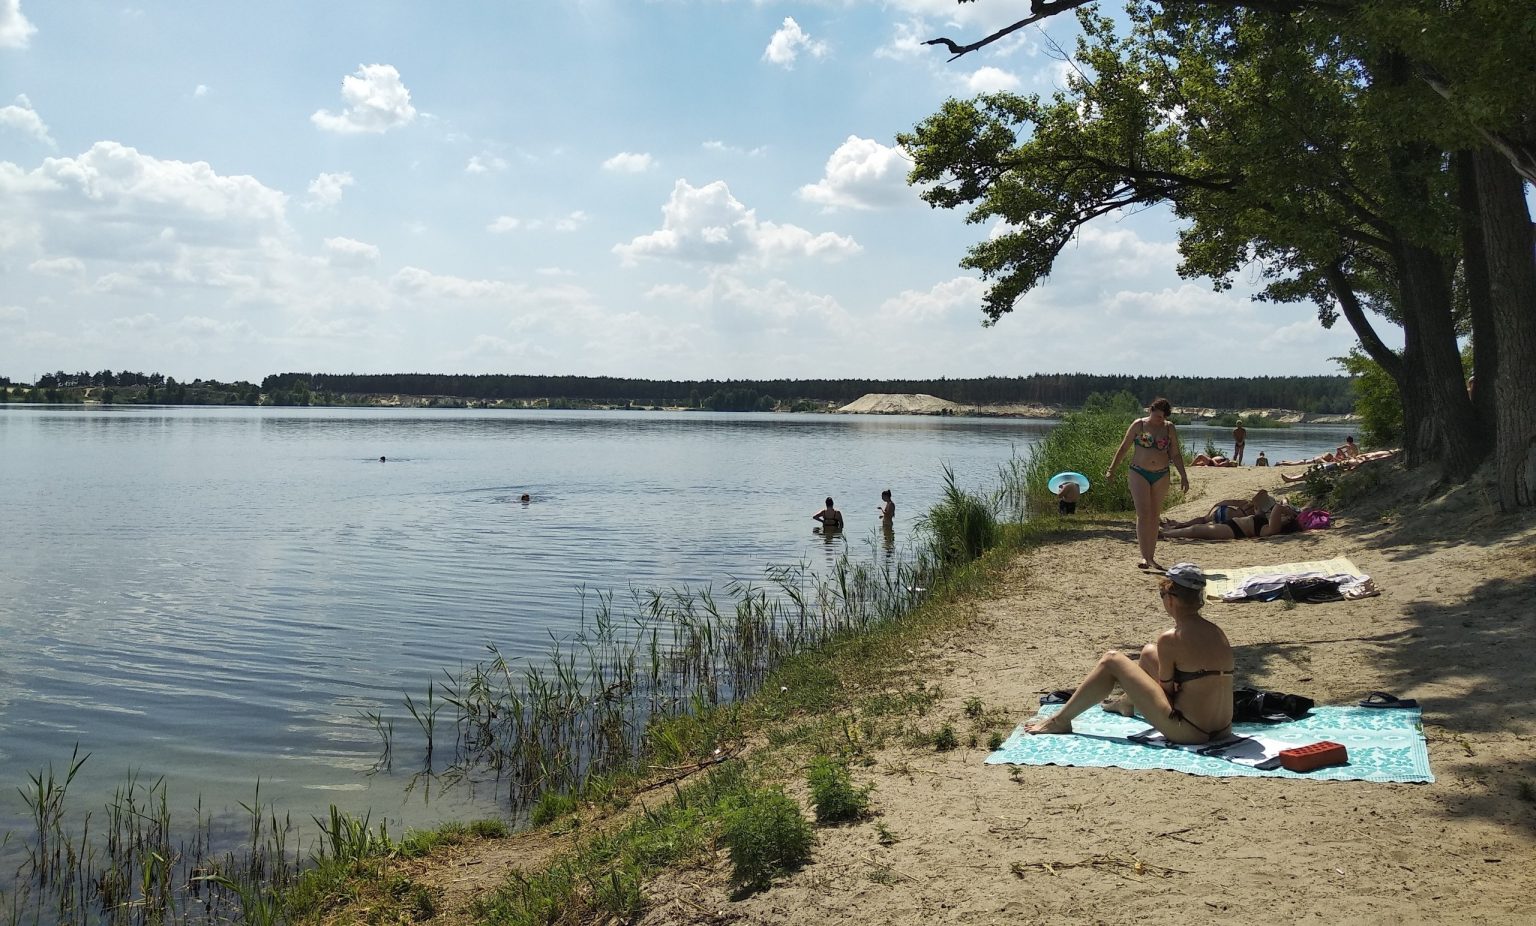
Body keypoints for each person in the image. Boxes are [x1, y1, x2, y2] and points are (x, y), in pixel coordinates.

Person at [1025, 564, 1233, 744]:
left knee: (1112, 660)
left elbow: (1166, 691)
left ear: (1170, 598)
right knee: (1149, 653)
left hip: (1189, 731)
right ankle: (1125, 703)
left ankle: (1059, 721)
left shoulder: (1171, 638)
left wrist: (1142, 688)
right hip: (1223, 730)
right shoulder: (1217, 632)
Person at [1106, 397, 1189, 571]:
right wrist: (1112, 469)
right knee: (1143, 514)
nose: (1158, 419)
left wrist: (1183, 475)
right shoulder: (1139, 425)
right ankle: (1144, 557)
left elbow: (1175, 453)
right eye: (1155, 415)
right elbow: (1124, 447)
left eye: (1161, 417)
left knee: (1154, 515)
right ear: (1150, 411)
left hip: (1161, 474)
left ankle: (1151, 557)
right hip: (1138, 472)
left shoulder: (1169, 428)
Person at [1159, 503, 1300, 540]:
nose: (1284, 517)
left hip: (1234, 531)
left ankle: (1166, 534)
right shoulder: (1269, 523)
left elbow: (1278, 507)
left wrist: (1291, 512)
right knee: (1198, 527)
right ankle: (1168, 531)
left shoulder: (1274, 529)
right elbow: (1276, 508)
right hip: (1232, 524)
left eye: (1286, 518)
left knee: (1196, 530)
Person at [1160, 489, 1275, 530]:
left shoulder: (1247, 502)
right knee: (1204, 526)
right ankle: (1175, 527)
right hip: (1229, 519)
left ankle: (1177, 524)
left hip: (1223, 510)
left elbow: (1229, 502)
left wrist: (1215, 506)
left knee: (1203, 519)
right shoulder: (1261, 516)